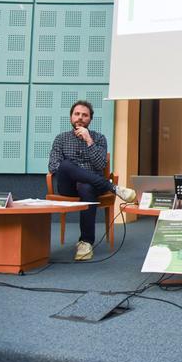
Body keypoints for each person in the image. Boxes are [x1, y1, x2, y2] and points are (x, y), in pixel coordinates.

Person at [48, 100, 135, 261]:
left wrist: (89, 141)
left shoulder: (99, 138)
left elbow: (101, 164)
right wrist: (76, 172)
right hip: (68, 187)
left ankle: (86, 242)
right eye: (77, 114)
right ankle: (114, 188)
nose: (80, 118)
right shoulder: (61, 139)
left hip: (92, 187)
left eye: (85, 115)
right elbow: (54, 166)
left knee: (86, 187)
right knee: (65, 165)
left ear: (90, 119)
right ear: (71, 117)